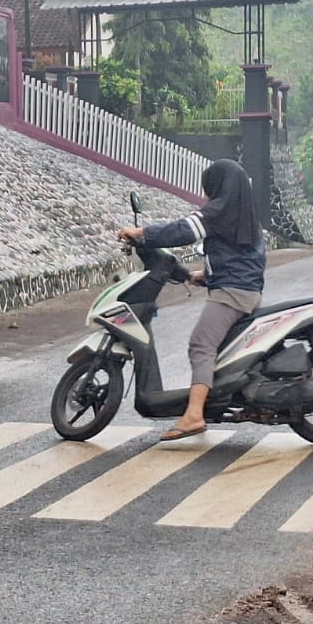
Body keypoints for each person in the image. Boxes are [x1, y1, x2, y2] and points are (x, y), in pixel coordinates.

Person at [116, 160, 267, 440]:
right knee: (216, 349)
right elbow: (242, 259)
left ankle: (195, 415)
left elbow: (183, 231)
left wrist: (142, 233)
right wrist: (201, 276)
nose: (207, 195)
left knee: (201, 344)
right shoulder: (244, 214)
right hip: (243, 289)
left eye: (209, 188)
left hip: (232, 294)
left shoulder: (219, 212)